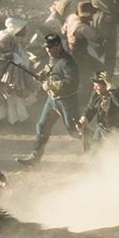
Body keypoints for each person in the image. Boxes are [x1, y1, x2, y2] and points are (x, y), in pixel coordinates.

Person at [18, 34, 82, 166]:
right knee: (42, 126)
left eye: (50, 47)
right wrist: (42, 75)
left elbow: (72, 82)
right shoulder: (53, 58)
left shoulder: (68, 62)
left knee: (75, 130)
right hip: (52, 100)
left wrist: (51, 85)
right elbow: (51, 69)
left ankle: (100, 143)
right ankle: (36, 157)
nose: (47, 50)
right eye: (46, 47)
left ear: (58, 45)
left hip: (67, 101)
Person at [77, 73, 119, 151]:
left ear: (105, 85)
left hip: (117, 130)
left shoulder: (117, 93)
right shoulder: (96, 95)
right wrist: (85, 118)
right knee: (95, 151)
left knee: (118, 152)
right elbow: (91, 108)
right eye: (94, 85)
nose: (95, 88)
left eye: (97, 86)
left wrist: (111, 88)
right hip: (101, 128)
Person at [62, 0, 105, 78]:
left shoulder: (71, 17)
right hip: (79, 54)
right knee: (88, 74)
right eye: (90, 15)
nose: (91, 17)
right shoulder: (82, 27)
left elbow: (63, 31)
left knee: (98, 68)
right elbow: (95, 38)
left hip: (70, 50)